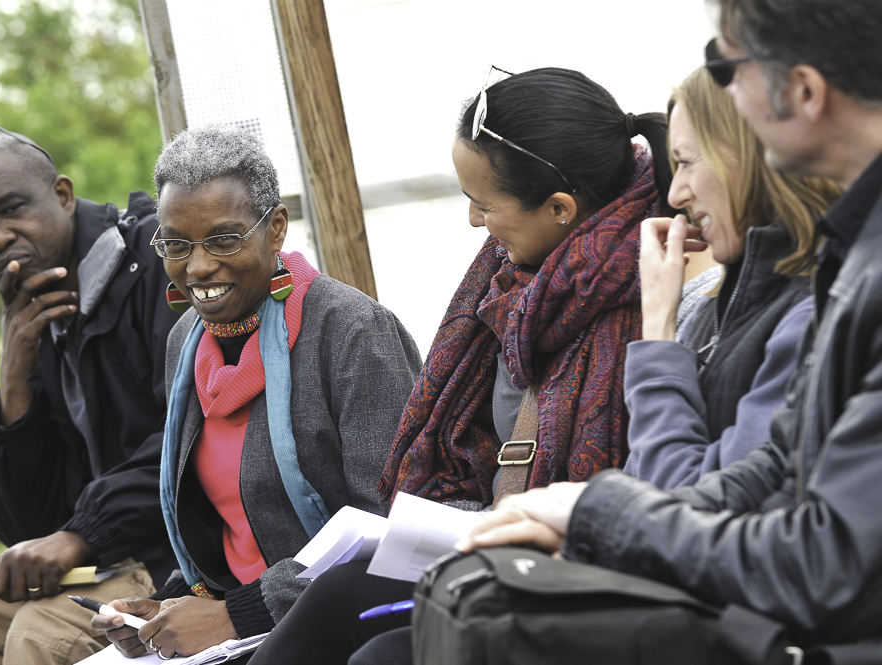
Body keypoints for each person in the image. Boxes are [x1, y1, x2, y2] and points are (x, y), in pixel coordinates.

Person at [446, 0, 882, 650]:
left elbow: (822, 560)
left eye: (728, 64)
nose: (727, 91)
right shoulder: (850, 254)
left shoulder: (838, 275)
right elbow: (776, 463)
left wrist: (607, 508)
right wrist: (596, 511)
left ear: (805, 90)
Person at [247, 66, 672, 665]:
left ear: (558, 208)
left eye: (483, 203)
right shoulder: (510, 288)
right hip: (491, 551)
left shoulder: (650, 297)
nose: (473, 220)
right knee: (339, 592)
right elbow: (460, 457)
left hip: (576, 583)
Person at [90, 124, 422, 660]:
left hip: (333, 624)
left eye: (223, 239)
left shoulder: (351, 333)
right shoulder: (186, 343)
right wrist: (172, 606)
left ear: (275, 230)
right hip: (239, 619)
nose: (198, 267)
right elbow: (225, 530)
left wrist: (233, 616)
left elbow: (389, 526)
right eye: (176, 244)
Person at [0, 123, 181, 665]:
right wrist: (14, 381)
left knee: (44, 632)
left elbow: (196, 430)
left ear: (62, 195)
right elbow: (28, 530)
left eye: (11, 208)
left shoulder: (156, 258)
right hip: (109, 554)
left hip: (183, 550)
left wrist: (83, 534)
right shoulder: (32, 312)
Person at [624, 67, 840, 489]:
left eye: (686, 162)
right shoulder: (714, 305)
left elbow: (681, 498)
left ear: (754, 153)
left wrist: (657, 330)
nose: (675, 195)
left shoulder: (812, 311)